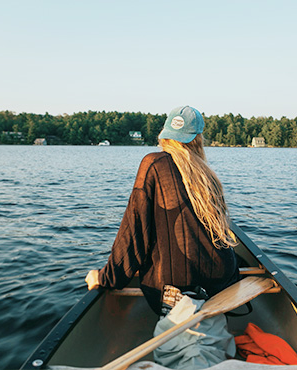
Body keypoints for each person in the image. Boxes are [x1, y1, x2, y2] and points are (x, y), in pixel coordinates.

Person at [85, 105, 240, 369]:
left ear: (165, 135)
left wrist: (107, 277)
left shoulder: (153, 163)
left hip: (176, 286)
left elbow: (134, 232)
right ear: (197, 138)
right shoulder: (207, 175)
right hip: (222, 279)